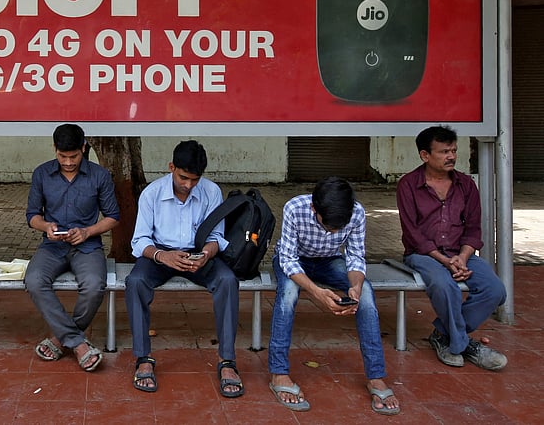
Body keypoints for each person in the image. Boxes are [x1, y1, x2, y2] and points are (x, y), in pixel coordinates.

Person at [268, 177, 400, 415]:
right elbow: (287, 260)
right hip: (293, 259)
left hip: (330, 261)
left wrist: (356, 286)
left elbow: (356, 256)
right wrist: (318, 293)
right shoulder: (295, 208)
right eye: (329, 226)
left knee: (367, 293)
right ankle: (279, 374)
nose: (334, 232)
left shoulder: (356, 212)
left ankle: (376, 377)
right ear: (313, 208)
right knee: (288, 293)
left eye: (339, 227)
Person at [125, 140, 243, 397]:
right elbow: (140, 240)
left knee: (227, 280)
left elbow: (216, 236)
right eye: (183, 177)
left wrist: (205, 255)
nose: (188, 185)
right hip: (160, 253)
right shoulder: (152, 193)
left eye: (194, 179)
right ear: (171, 167)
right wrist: (162, 256)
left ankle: (227, 361)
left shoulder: (211, 192)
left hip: (198, 255)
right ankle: (143, 357)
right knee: (135, 282)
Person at [396, 125, 507, 371]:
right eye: (444, 151)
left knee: (495, 289)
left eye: (454, 150)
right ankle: (462, 344)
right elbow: (412, 233)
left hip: (460, 253)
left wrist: (463, 257)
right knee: (445, 286)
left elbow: (474, 230)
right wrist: (444, 261)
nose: (451, 157)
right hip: (423, 254)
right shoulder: (408, 185)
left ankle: (443, 335)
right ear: (425, 155)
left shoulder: (466, 185)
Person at [25, 124, 120, 372]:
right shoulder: (42, 174)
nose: (68, 162)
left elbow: (113, 217)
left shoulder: (100, 176)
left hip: (87, 246)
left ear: (83, 148)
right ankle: (78, 343)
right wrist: (46, 226)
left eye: (74, 156)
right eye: (62, 156)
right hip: (52, 246)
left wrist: (87, 231)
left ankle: (60, 339)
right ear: (54, 149)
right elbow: (32, 215)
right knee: (34, 280)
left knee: (93, 285)